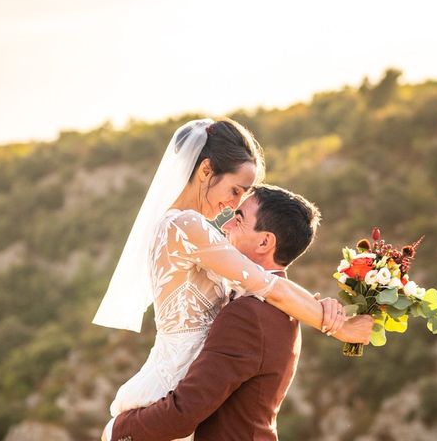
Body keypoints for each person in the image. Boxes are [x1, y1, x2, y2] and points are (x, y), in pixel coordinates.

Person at [93, 118, 370, 438]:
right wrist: (339, 327)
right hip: (171, 388)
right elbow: (270, 286)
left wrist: (326, 310)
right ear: (206, 170)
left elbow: (269, 282)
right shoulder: (185, 226)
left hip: (185, 388)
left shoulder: (191, 229)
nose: (233, 204)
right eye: (235, 190)